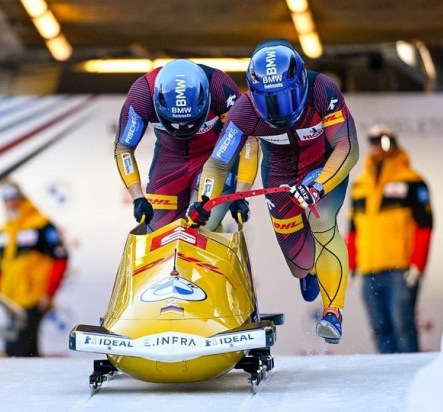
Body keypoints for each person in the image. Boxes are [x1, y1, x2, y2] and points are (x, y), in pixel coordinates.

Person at [187, 38, 359, 344]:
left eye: (287, 97)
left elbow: (347, 147)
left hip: (323, 169)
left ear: (301, 83)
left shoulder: (323, 91)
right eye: (269, 100)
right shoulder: (244, 112)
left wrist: (319, 187)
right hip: (278, 176)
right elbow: (218, 164)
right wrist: (205, 200)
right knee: (299, 264)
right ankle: (310, 272)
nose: (279, 109)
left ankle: (333, 313)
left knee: (322, 222)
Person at [114, 59, 256, 231]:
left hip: (214, 161)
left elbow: (249, 139)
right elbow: (124, 148)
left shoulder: (220, 87)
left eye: (191, 121)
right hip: (169, 161)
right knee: (159, 233)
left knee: (200, 227)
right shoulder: (143, 94)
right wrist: (137, 197)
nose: (183, 128)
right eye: (175, 122)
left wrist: (241, 193)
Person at [346, 124, 433, 353]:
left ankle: (413, 382)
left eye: (383, 141)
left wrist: (418, 265)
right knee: (379, 329)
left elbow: (425, 226)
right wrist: (351, 265)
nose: (378, 146)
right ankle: (390, 385)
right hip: (369, 270)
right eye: (373, 141)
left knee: (403, 327)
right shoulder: (359, 185)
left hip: (400, 271)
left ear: (393, 142)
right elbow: (353, 229)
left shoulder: (412, 181)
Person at [0, 181, 69, 357]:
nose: (10, 203)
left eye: (14, 198)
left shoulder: (41, 225)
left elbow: (61, 259)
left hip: (33, 300)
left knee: (17, 352)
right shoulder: (4, 231)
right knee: (24, 353)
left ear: (22, 198)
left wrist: (48, 294)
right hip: (11, 302)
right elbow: (0, 270)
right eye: (6, 199)